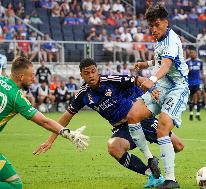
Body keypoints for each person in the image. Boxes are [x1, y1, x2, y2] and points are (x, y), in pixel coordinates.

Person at [33, 58, 185, 188]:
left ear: (97, 71)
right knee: (113, 147)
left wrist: (152, 89)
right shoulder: (83, 95)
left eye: (93, 71)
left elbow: (137, 80)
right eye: (87, 73)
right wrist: (50, 141)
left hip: (142, 120)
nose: (91, 75)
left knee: (178, 146)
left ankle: (158, 162)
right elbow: (66, 117)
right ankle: (152, 173)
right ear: (81, 74)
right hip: (122, 128)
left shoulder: (111, 80)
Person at [0, 56, 88, 189]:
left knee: (14, 183)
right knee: (15, 186)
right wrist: (68, 134)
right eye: (32, 75)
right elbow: (43, 121)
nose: (34, 79)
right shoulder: (17, 97)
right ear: (21, 77)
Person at [127, 4, 189, 188]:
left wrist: (151, 79)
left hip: (177, 88)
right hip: (162, 85)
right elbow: (160, 60)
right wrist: (145, 64)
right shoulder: (160, 39)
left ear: (166, 22)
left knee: (162, 126)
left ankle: (171, 180)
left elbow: (167, 65)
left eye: (157, 25)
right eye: (150, 26)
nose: (153, 30)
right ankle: (150, 160)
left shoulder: (171, 40)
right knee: (132, 116)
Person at [186, 49, 204, 121]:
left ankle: (198, 114)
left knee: (199, 95)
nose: (194, 55)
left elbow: (202, 70)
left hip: (197, 82)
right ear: (190, 55)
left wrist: (202, 75)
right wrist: (188, 71)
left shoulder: (200, 62)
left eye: (195, 53)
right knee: (191, 98)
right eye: (192, 53)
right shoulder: (187, 62)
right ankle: (191, 114)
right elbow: (184, 72)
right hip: (190, 83)